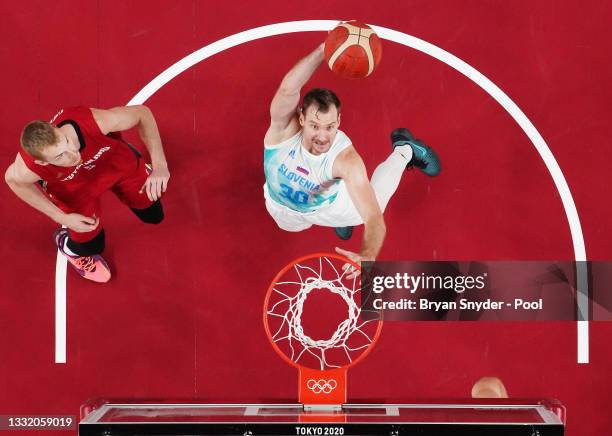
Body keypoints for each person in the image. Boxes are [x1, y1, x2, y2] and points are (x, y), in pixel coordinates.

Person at [263, 43, 441, 273]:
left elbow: (374, 218)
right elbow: (288, 90)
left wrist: (368, 253)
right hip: (284, 208)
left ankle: (405, 150)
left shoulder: (346, 160)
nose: (322, 136)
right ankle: (339, 219)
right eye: (315, 126)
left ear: (338, 122)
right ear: (301, 119)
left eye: (330, 127)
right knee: (290, 227)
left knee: (365, 209)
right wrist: (323, 50)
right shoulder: (282, 132)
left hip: (331, 205)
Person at [4, 105, 170, 283]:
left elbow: (142, 114)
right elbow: (13, 181)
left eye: (66, 141)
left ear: (56, 128)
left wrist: (160, 164)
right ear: (41, 163)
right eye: (60, 156)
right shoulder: (28, 168)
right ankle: (67, 246)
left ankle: (139, 165)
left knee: (154, 215)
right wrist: (61, 217)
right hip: (75, 192)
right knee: (93, 245)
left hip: (115, 165)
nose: (73, 154)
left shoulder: (93, 123)